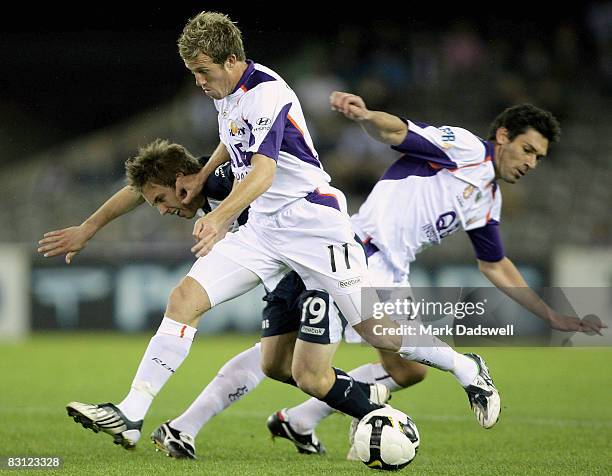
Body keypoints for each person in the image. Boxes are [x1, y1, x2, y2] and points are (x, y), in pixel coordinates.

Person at [44, 10, 501, 457]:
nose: (198, 82)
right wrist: (199, 176)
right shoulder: (228, 95)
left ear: (230, 61)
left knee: (375, 329)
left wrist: (219, 216)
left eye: (202, 71)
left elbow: (262, 172)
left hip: (313, 224)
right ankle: (132, 413)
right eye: (192, 73)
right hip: (264, 228)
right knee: (185, 298)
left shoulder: (268, 93)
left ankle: (465, 367)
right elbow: (234, 136)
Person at [267, 92, 607, 459]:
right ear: (504, 136)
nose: (532, 163)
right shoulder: (465, 150)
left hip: (393, 269)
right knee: (303, 365)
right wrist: (366, 116)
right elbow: (398, 132)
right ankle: (463, 368)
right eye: (528, 149)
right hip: (361, 252)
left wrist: (550, 314)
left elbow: (494, 264)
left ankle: (299, 421)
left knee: (408, 371)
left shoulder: (487, 200)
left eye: (538, 157)